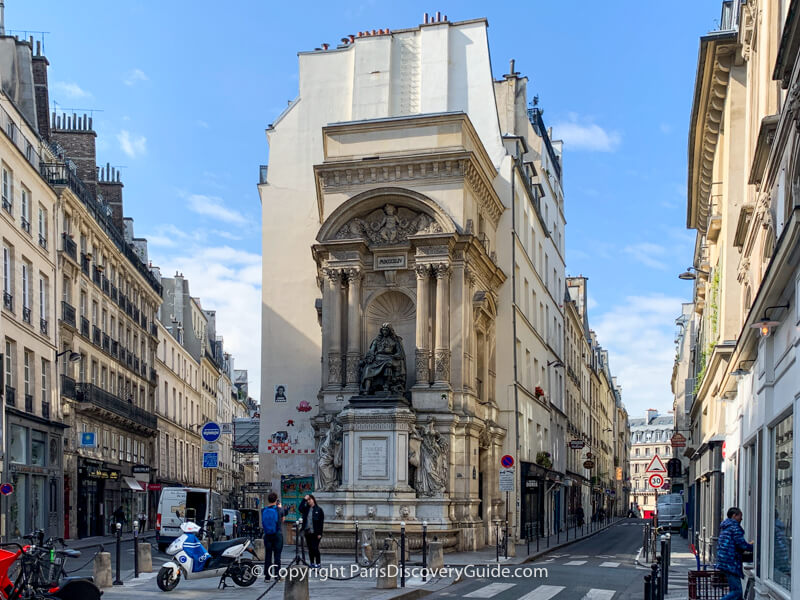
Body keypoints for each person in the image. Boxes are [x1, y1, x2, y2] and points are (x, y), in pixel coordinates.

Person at [715, 507, 754, 600]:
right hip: (731, 563)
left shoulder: (726, 527)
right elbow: (742, 545)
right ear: (734, 516)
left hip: (725, 561)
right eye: (740, 516)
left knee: (736, 593)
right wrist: (755, 547)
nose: (742, 518)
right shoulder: (734, 527)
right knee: (737, 592)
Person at [262, 492, 283, 582]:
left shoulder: (263, 510)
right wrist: (280, 506)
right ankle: (277, 575)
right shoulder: (279, 509)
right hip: (277, 534)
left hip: (267, 535)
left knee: (268, 555)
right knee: (277, 556)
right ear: (276, 499)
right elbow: (283, 516)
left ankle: (267, 576)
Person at [298, 494, 324, 568]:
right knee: (310, 548)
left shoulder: (318, 510)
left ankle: (318, 563)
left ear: (313, 499)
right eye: (308, 500)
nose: (309, 501)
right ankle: (312, 562)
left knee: (315, 547)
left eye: (310, 499)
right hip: (307, 532)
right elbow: (300, 508)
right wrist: (304, 499)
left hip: (315, 532)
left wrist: (319, 533)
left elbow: (321, 523)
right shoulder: (306, 509)